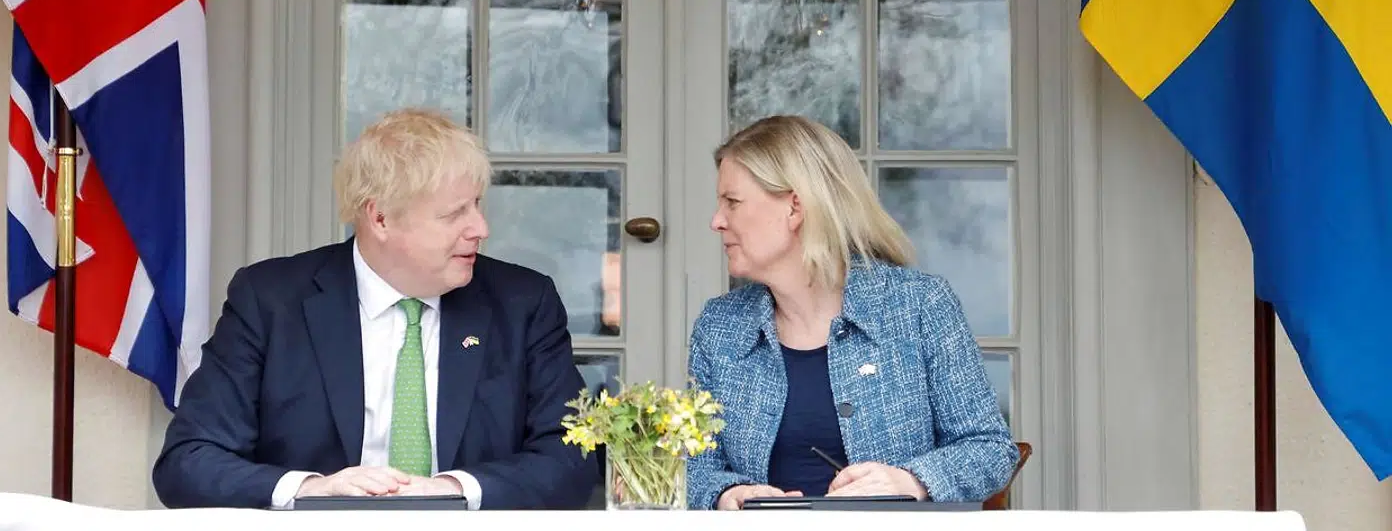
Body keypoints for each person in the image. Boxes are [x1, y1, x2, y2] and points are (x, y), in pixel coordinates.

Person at [152, 108, 598, 510]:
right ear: (380, 218)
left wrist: (452, 489)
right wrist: (311, 490)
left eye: (477, 205)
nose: (480, 228)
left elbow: (572, 457)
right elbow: (188, 462)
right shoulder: (270, 300)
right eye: (454, 213)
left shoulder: (522, 303)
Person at [686, 115, 1019, 510]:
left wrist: (909, 480)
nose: (716, 221)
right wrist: (727, 494)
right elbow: (694, 469)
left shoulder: (919, 306)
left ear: (795, 207)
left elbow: (989, 449)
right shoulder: (720, 327)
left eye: (733, 202)